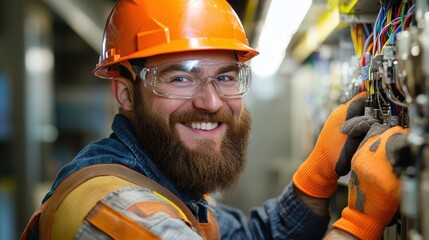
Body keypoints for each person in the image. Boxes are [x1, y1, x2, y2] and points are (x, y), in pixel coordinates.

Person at [21, 0, 408, 239]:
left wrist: (318, 174)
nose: (209, 102)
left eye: (224, 77)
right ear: (125, 93)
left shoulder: (172, 181)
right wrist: (358, 224)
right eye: (180, 77)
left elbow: (258, 236)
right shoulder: (119, 212)